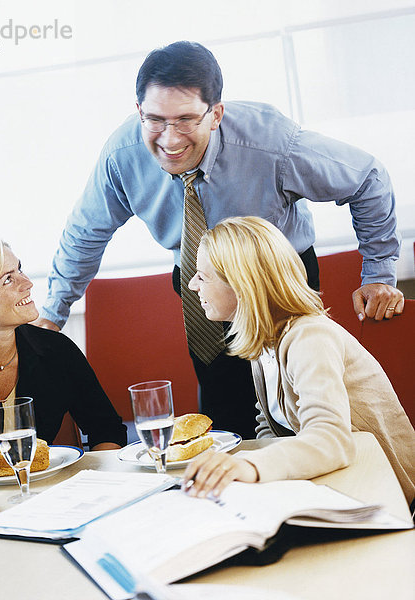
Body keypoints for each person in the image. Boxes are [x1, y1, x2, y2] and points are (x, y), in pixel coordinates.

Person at [36, 40, 404, 439]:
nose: (170, 139)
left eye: (186, 120)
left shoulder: (270, 143)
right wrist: (54, 314)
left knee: (297, 412)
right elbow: (86, 232)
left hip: (275, 280)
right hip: (201, 284)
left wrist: (379, 273)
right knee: (228, 422)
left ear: (216, 114)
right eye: (155, 119)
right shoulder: (122, 154)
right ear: (138, 111)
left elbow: (367, 179)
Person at [182, 216, 415, 506]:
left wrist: (250, 467)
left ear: (242, 284)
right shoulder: (265, 338)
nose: (192, 285)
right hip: (339, 478)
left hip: (383, 488)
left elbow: (332, 440)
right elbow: (270, 424)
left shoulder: (310, 337)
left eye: (202, 276)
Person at [0, 238, 127, 495]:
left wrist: (101, 488)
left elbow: (106, 428)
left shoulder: (56, 350)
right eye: (8, 279)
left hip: (48, 498)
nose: (28, 283)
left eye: (19, 269)